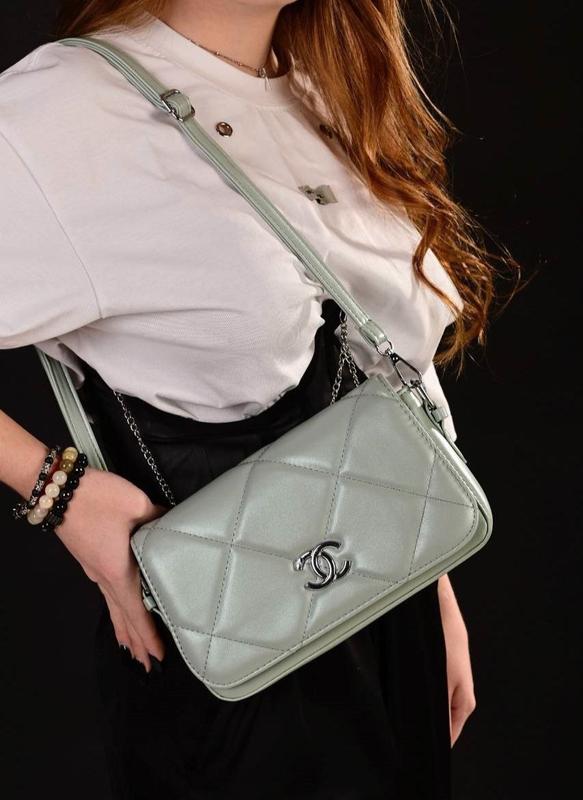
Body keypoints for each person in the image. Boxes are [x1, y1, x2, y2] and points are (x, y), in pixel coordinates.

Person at [0, 1, 500, 797]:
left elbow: (377, 367)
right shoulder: (65, 108)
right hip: (236, 662)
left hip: (383, 596)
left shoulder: (319, 85)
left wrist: (424, 565)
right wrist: (58, 493)